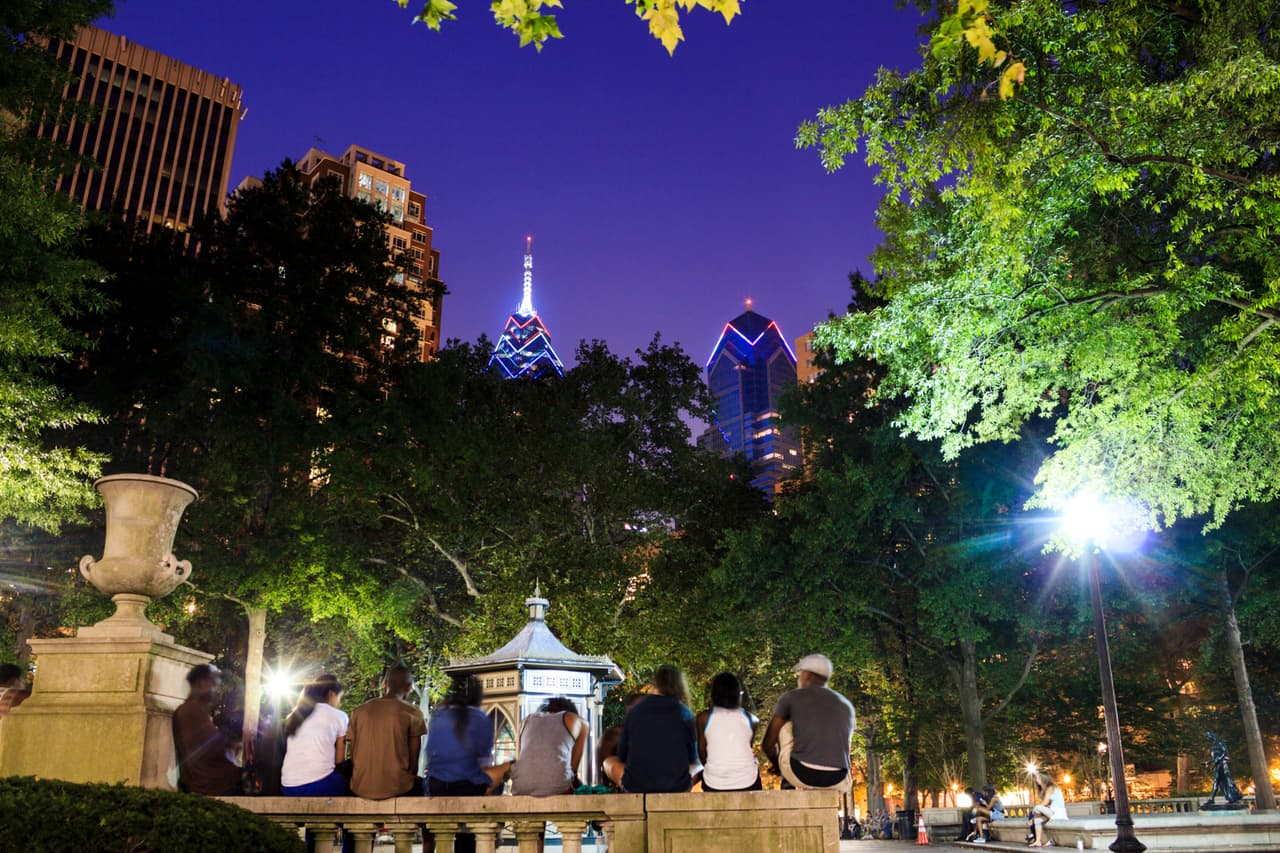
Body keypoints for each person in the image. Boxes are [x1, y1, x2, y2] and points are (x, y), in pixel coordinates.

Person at [761, 653, 855, 791]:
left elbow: (768, 744)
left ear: (807, 676)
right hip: (838, 777)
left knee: (785, 725)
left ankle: (788, 782)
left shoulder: (791, 698)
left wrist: (778, 767)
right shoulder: (846, 705)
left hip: (802, 773)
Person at [603, 665, 700, 793]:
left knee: (609, 761)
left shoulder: (636, 711)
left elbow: (622, 755)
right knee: (698, 765)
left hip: (636, 785)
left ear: (656, 683)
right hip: (676, 786)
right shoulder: (685, 713)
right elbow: (692, 756)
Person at [349, 665, 427, 799]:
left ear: (385, 685)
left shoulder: (359, 711)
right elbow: (413, 763)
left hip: (359, 787)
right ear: (409, 687)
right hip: (399, 787)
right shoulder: (412, 712)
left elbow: (353, 754)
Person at [171, 664, 242, 796]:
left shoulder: (194, 710)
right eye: (214, 683)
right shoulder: (192, 710)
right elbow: (213, 748)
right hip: (213, 786)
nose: (216, 689)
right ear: (201, 684)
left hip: (210, 784)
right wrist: (232, 747)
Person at [281, 674, 349, 796]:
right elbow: (339, 760)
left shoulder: (295, 716)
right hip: (320, 785)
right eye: (340, 698)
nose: (339, 703)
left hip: (288, 786)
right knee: (347, 782)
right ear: (331, 694)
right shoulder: (340, 716)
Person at [695, 672, 760, 792]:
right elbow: (746, 748)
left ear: (714, 694)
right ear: (737, 694)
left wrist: (714, 770)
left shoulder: (703, 718)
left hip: (713, 783)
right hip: (747, 782)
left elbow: (702, 751)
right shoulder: (751, 719)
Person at [510, 696, 587, 796]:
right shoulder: (573, 719)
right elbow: (573, 770)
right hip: (559, 789)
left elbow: (521, 758)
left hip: (520, 789)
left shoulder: (525, 721)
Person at [1030, 770, 1067, 847]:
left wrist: (1034, 811)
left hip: (1057, 812)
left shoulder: (1051, 787)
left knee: (1036, 808)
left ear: (1043, 778)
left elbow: (1045, 803)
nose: (1036, 780)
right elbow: (1047, 805)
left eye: (1038, 778)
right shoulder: (1046, 789)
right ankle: (1038, 841)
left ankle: (1032, 832)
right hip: (1051, 812)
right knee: (1037, 820)